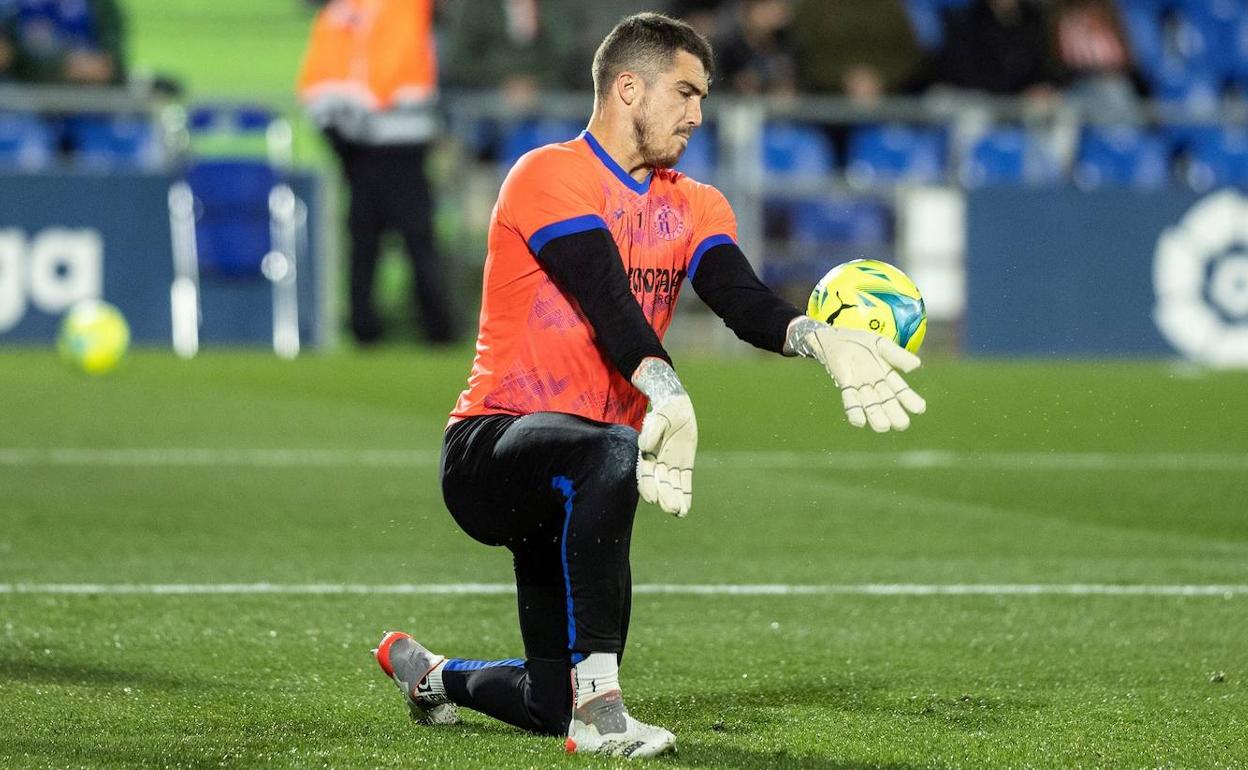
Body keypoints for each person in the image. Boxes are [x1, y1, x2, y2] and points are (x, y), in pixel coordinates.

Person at [372, 12, 926, 759]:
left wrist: (814, 338)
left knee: (544, 706)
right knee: (611, 451)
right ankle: (605, 709)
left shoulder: (697, 204)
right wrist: (666, 391)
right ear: (628, 87)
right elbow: (607, 300)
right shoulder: (549, 174)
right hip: (494, 449)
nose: (699, 114)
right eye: (686, 93)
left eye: (704, 97)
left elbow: (739, 295)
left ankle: (433, 678)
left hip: (586, 477)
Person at [297, 0, 455, 345]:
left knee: (396, 238)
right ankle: (403, 326)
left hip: (387, 138)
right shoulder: (349, 13)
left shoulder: (346, 14)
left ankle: (406, 325)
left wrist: (334, 124)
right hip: (373, 140)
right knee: (386, 238)